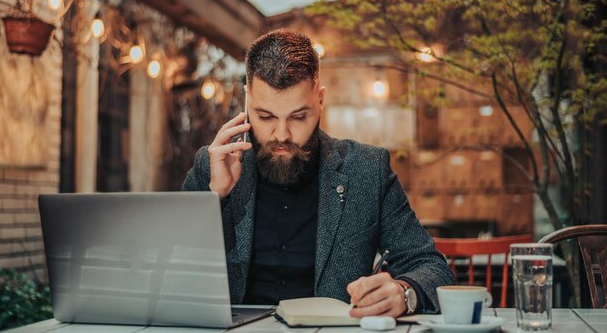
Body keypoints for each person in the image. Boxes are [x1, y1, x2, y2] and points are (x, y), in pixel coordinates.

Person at [182, 28, 453, 317]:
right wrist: (215, 198)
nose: (282, 134)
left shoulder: (366, 170)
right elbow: (173, 270)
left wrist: (404, 292)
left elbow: (432, 267)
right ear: (247, 100)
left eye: (299, 117)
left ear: (320, 100)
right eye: (265, 117)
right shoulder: (212, 167)